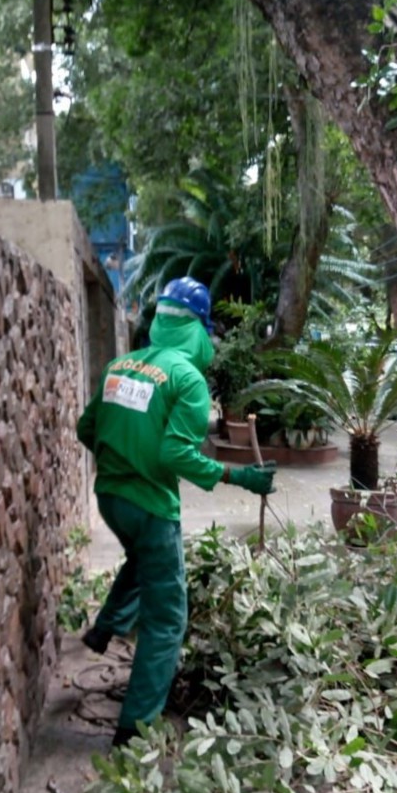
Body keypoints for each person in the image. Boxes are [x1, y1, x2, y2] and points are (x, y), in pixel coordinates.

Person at [76, 277, 275, 748]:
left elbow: (87, 427)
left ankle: (104, 629)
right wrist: (239, 477)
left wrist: (121, 456)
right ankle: (135, 728)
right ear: (200, 330)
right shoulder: (188, 380)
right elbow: (175, 456)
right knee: (167, 621)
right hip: (150, 506)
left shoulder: (119, 366)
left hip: (110, 498)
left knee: (143, 561)